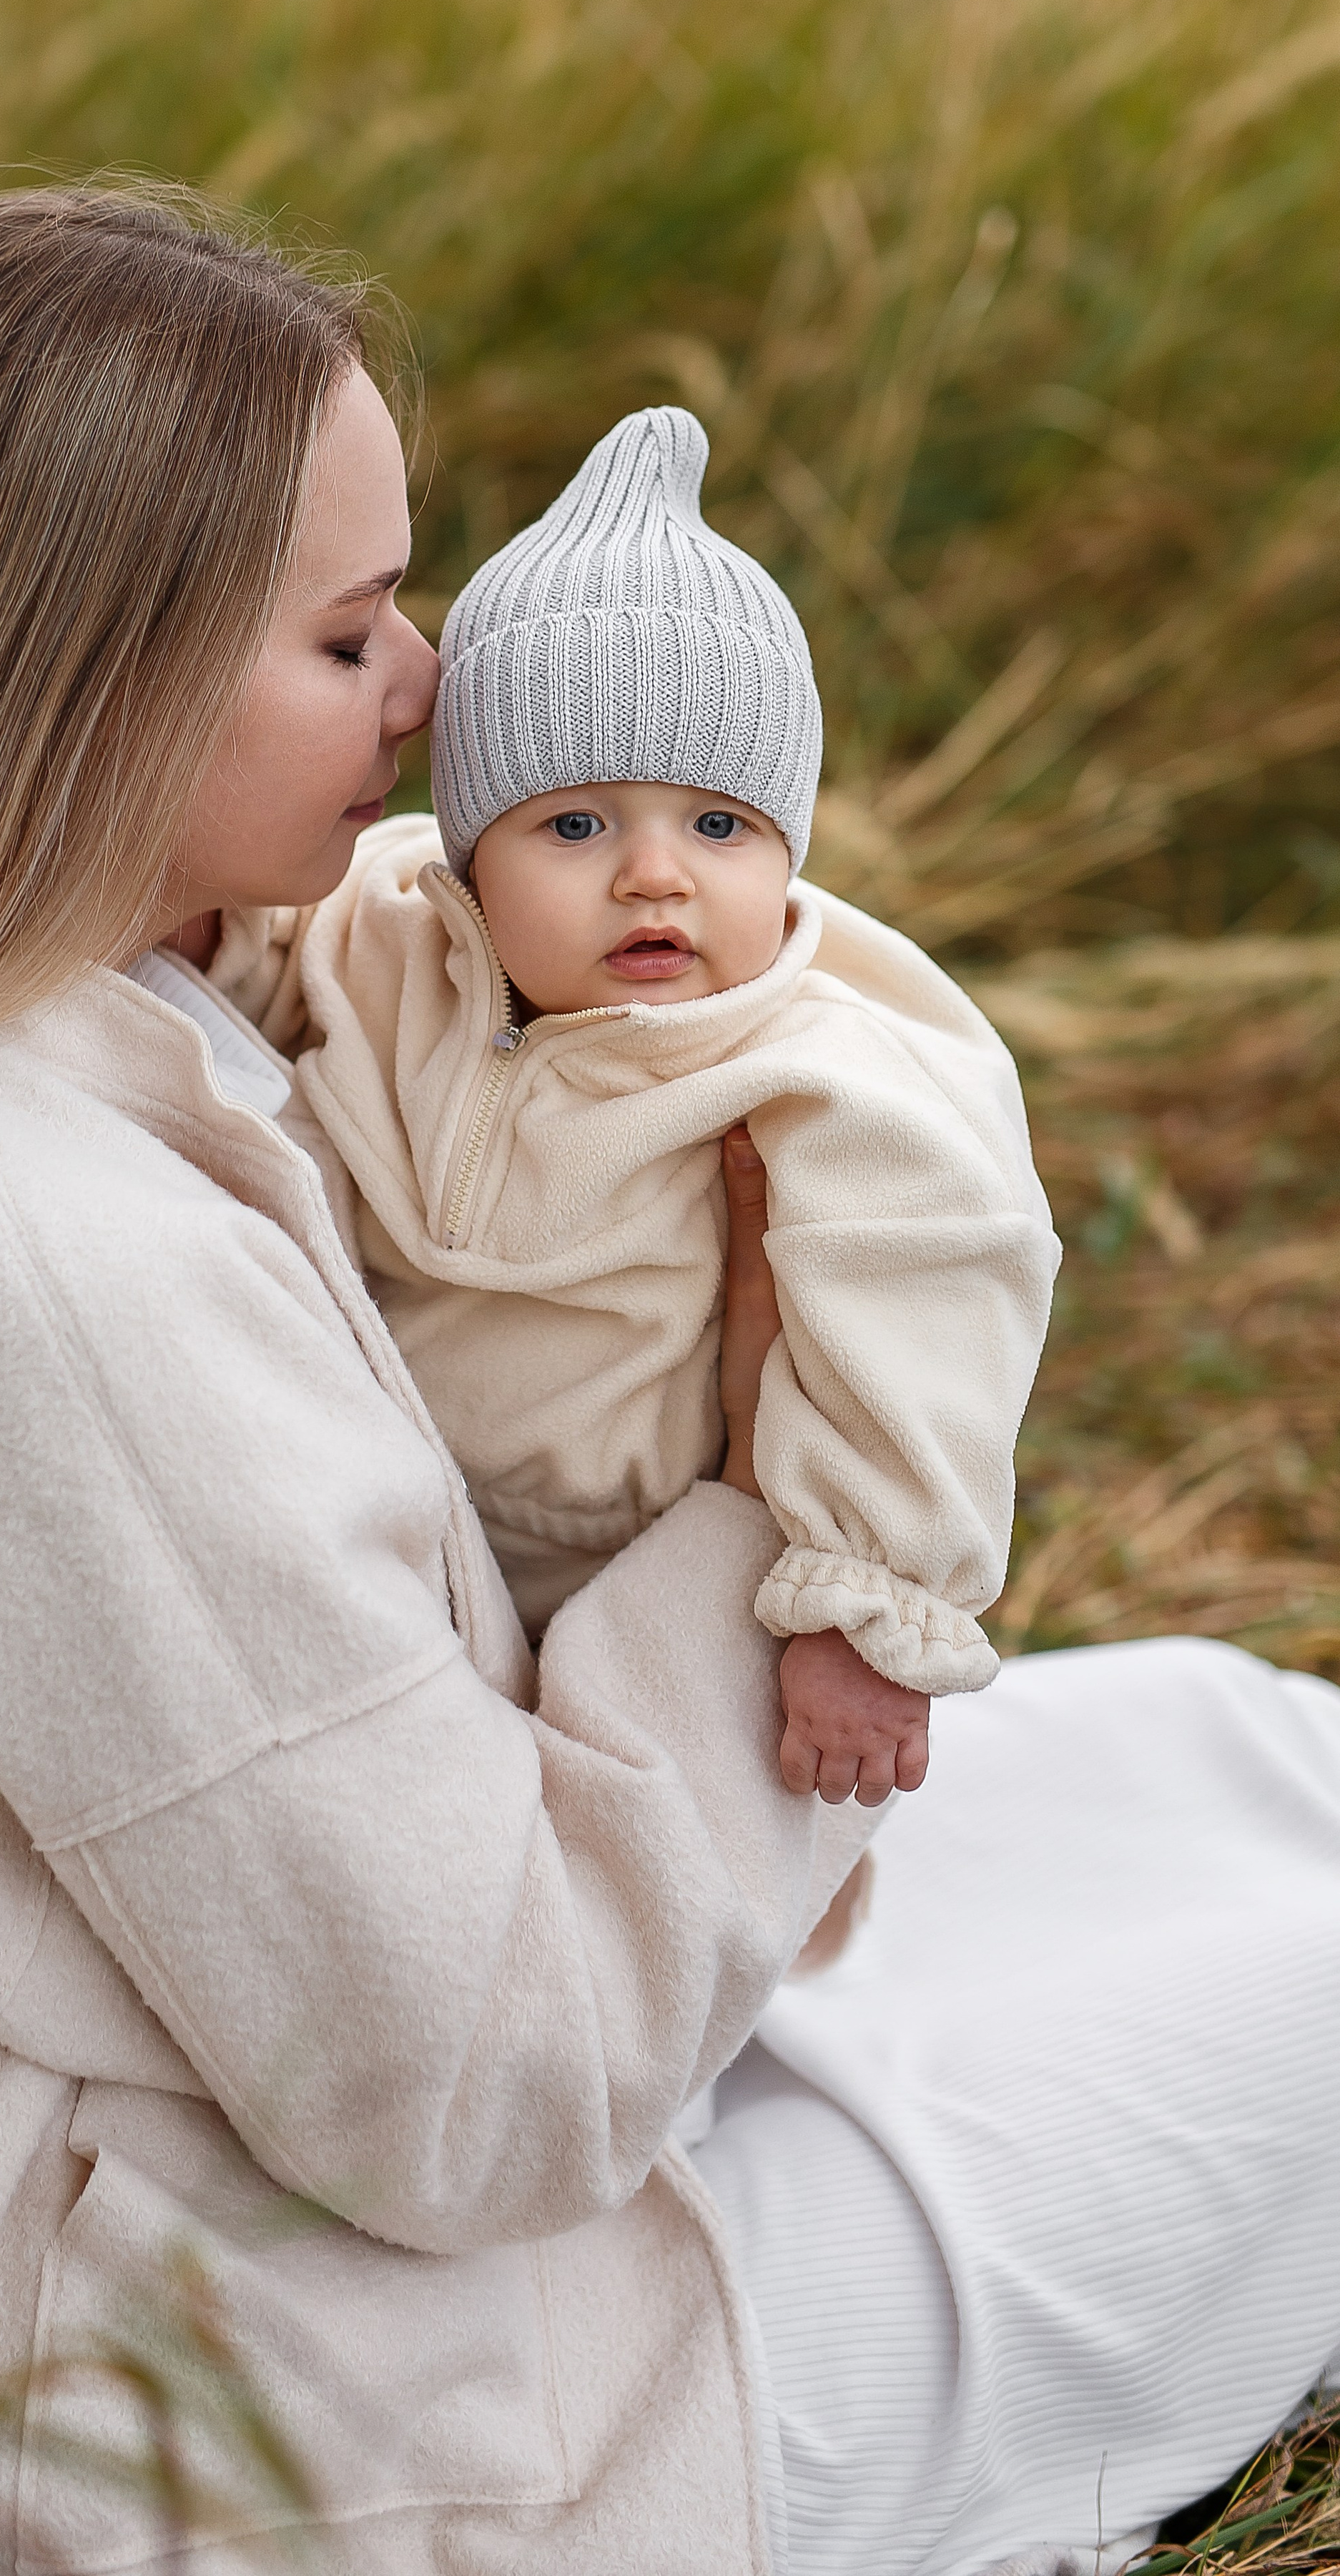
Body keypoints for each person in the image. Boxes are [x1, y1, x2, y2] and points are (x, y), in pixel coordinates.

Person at [0, 184, 1339, 2576]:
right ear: (97, 683)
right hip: (287, 2402)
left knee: (1239, 1747)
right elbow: (485, 2085)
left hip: (184, 2102)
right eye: (354, 629)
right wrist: (765, 1508)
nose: (438, 683)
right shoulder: (31, 1268)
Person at [289, 405, 1060, 1810]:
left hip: (658, 1550)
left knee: (694, 1794)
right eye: (574, 826)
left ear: (785, 851)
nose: (654, 876)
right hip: (399, 1534)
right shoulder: (378, 940)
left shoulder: (818, 1060)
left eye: (718, 828)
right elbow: (240, 949)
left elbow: (926, 1303)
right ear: (469, 857)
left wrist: (865, 1602)